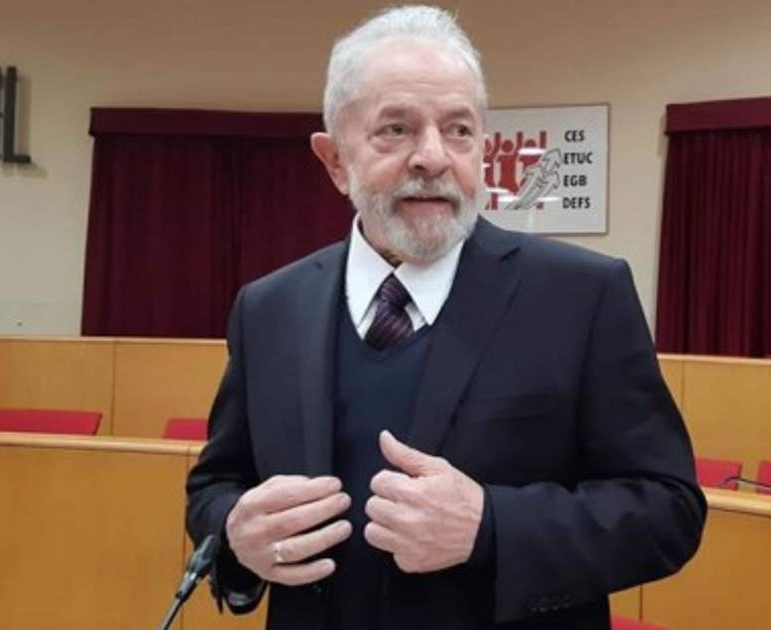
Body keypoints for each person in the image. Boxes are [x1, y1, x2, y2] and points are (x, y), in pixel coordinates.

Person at [185, 6, 705, 630]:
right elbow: (216, 484)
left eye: (459, 130)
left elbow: (668, 508)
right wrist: (234, 532)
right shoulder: (269, 309)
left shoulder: (582, 296)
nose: (432, 157)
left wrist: (491, 527)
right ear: (335, 161)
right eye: (396, 129)